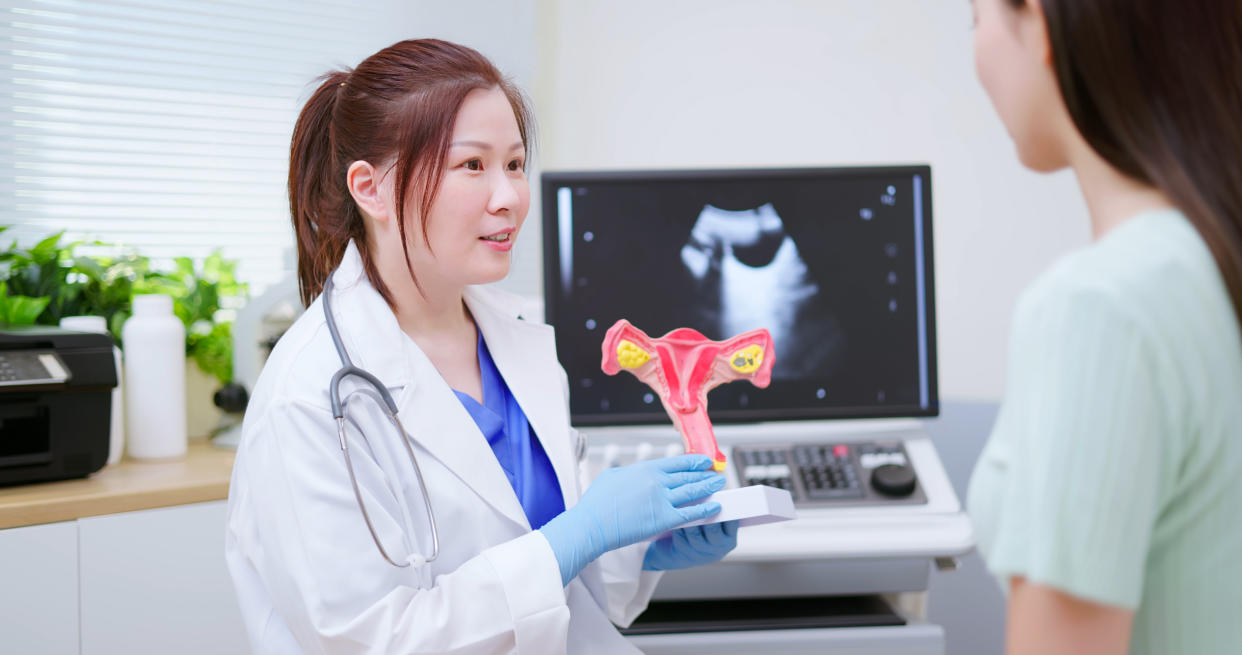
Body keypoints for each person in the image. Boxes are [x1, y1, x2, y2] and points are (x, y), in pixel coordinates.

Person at [225, 39, 738, 655]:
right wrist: (578, 534)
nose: (510, 197)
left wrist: (636, 551)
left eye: (516, 164)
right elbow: (372, 641)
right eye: (473, 166)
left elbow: (558, 590)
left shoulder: (520, 343)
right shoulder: (308, 395)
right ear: (371, 189)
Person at [965, 1, 1242, 653]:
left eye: (973, 19)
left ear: (1036, 20)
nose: (975, 51)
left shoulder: (1099, 310)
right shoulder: (1211, 258)